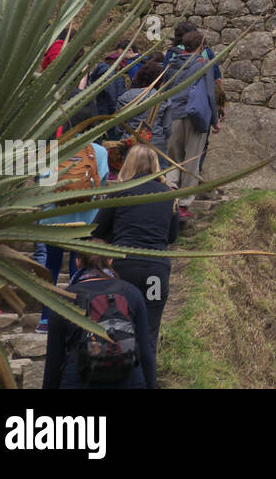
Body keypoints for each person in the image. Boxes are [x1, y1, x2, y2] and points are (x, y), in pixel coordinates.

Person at [92, 145, 178, 354]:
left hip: (125, 266)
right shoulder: (168, 195)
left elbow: (98, 229)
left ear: (129, 164)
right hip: (155, 269)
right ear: (156, 165)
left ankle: (119, 371)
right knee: (149, 325)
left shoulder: (119, 192)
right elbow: (171, 236)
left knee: (120, 323)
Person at [41, 252, 157, 389]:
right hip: (130, 379)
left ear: (77, 262)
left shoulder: (64, 299)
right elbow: (145, 352)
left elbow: (53, 361)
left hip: (78, 380)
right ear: (110, 260)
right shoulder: (131, 292)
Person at [37, 140, 110, 332]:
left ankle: (45, 318)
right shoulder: (99, 151)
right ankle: (77, 316)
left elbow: (44, 183)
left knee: (51, 267)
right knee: (79, 267)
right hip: (85, 219)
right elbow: (101, 182)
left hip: (55, 219)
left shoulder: (51, 149)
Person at [162, 30, 217, 220]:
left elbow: (165, 90)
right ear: (201, 47)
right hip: (196, 116)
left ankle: (170, 196)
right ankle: (184, 204)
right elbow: (210, 94)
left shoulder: (171, 65)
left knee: (173, 158)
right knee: (191, 160)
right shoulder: (203, 65)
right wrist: (215, 120)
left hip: (174, 114)